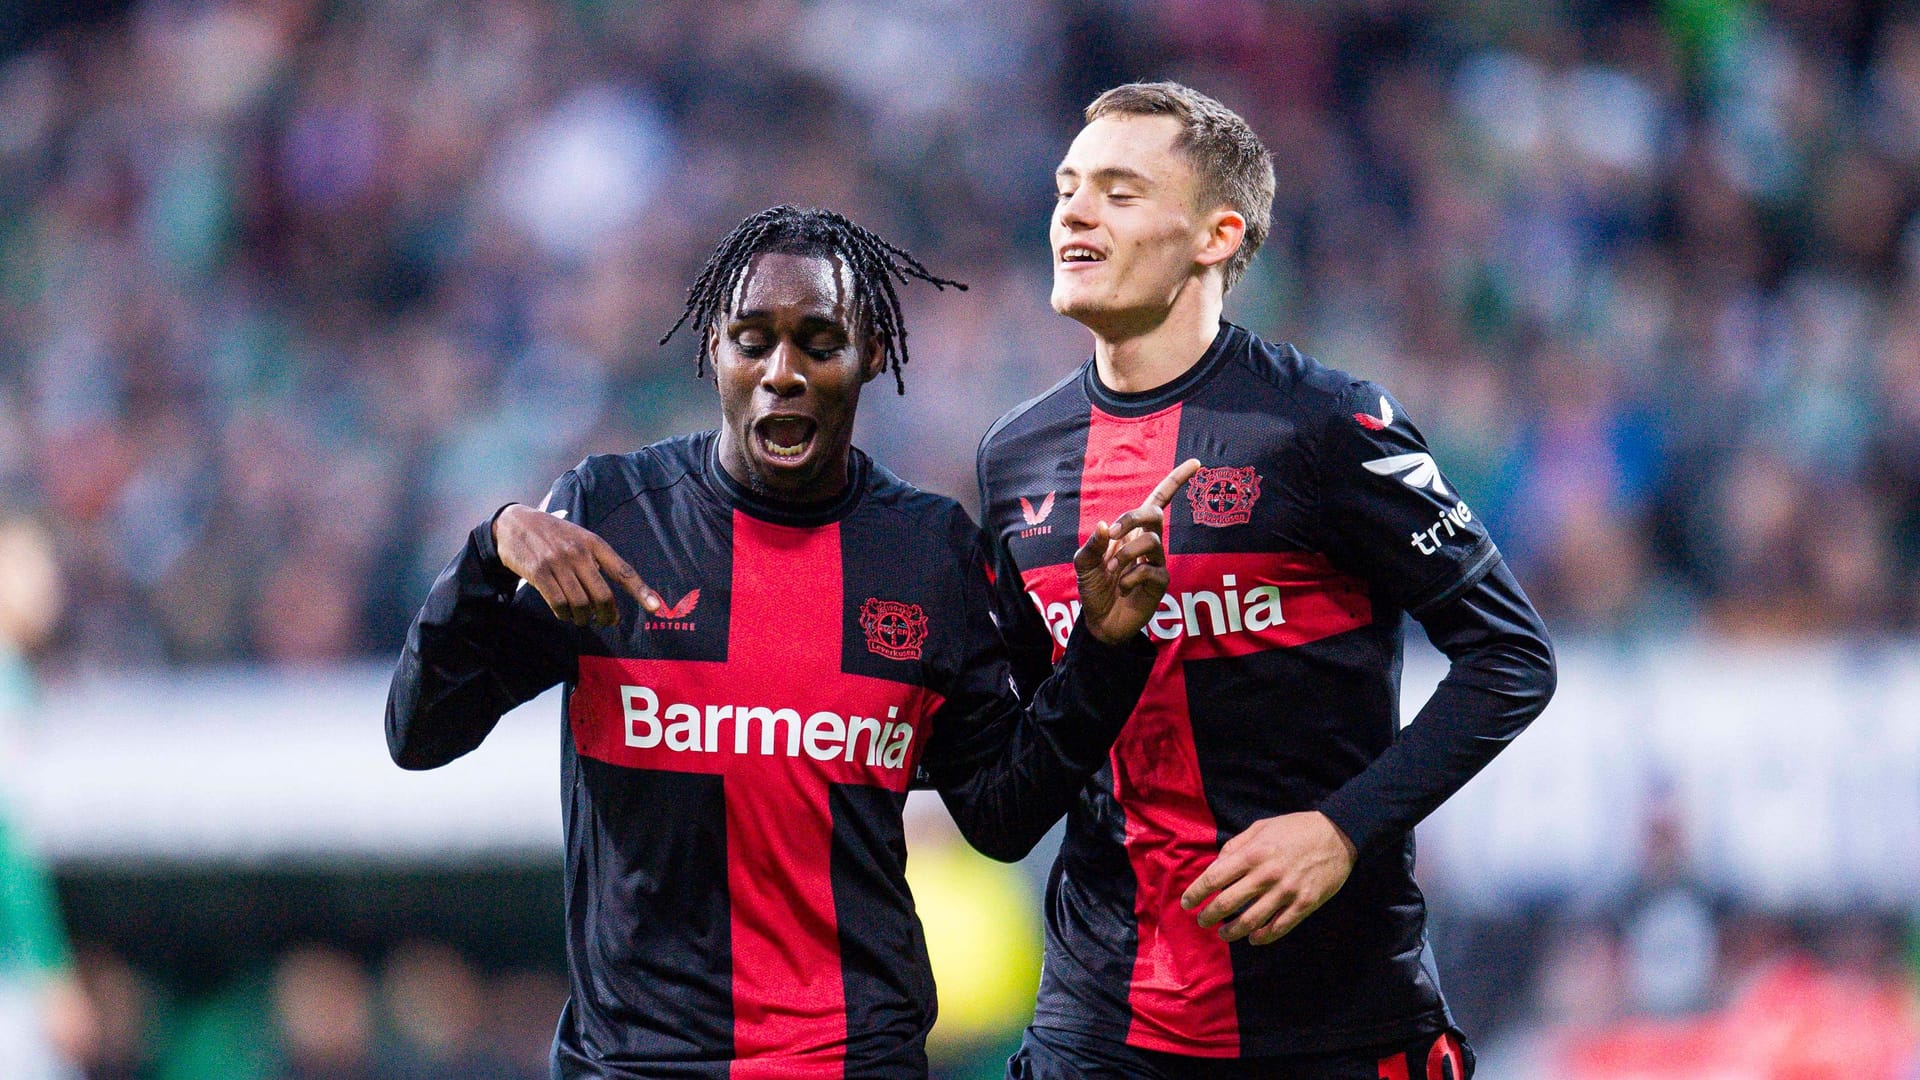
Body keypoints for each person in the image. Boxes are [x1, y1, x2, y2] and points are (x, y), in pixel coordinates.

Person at [387, 205, 1198, 1080]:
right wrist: (489, 549)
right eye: (752, 339)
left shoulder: (929, 554)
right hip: (639, 1065)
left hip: (853, 1059)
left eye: (819, 341)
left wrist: (1108, 651)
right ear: (713, 350)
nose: (783, 373)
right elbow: (420, 735)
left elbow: (1000, 816)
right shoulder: (612, 517)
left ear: (872, 354)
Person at [975, 83, 1558, 1079]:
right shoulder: (1016, 460)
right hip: (1102, 1027)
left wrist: (1342, 829)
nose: (1071, 211)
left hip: (1336, 1018)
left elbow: (1510, 656)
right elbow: (1013, 800)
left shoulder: (1324, 426)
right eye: (1069, 187)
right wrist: (1105, 654)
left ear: (1216, 235)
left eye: (1118, 192)